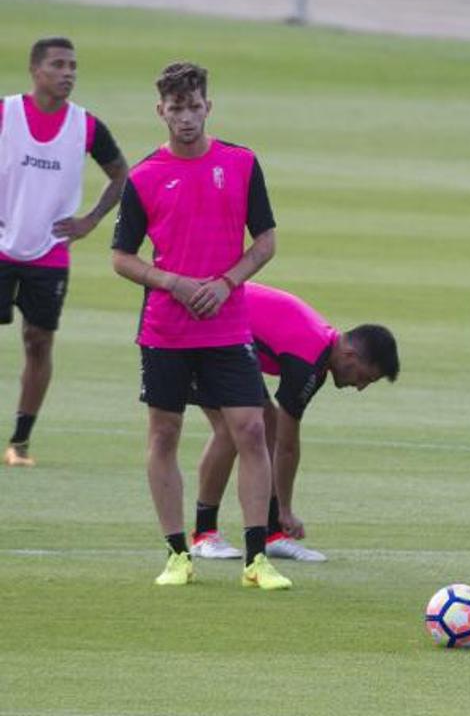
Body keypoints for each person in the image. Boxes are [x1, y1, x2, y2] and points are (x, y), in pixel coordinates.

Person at [111, 62, 289, 590]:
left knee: (252, 428)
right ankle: (177, 554)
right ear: (160, 110)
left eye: (194, 106)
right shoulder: (143, 176)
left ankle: (257, 560)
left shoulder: (240, 163)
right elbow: (122, 257)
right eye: (176, 108)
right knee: (164, 433)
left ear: (208, 107)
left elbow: (265, 242)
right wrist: (173, 282)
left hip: (228, 326)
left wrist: (226, 282)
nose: (185, 117)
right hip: (165, 328)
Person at [187, 282, 399, 562]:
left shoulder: (321, 352)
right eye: (365, 377)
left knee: (266, 422)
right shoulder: (309, 361)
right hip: (198, 333)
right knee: (230, 430)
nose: (360, 387)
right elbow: (287, 446)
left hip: (225, 339)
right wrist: (286, 508)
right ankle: (204, 534)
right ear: (350, 356)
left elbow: (280, 436)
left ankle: (271, 534)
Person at [0, 37, 128, 467]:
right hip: (1, 245)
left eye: (73, 65)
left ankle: (19, 442)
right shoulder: (6, 113)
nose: (68, 72)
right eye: (58, 65)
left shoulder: (86, 126)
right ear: (36, 70)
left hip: (50, 253)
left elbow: (120, 174)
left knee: (38, 342)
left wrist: (91, 219)